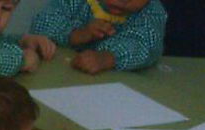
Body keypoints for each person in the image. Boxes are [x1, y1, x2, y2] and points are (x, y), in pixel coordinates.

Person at [30, 0, 167, 74]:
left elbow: (148, 45)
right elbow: (41, 26)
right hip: (57, 73)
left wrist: (107, 58)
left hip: (116, 88)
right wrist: (78, 34)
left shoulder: (151, 11)